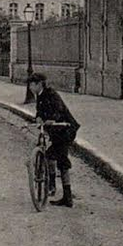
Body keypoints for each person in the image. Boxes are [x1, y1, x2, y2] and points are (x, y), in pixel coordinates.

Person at [28, 72, 79, 207]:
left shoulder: (52, 94)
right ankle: (53, 187)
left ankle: (65, 196)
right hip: (56, 131)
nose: (30, 88)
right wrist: (38, 118)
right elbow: (39, 112)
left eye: (32, 85)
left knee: (60, 159)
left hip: (65, 129)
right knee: (52, 156)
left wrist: (53, 119)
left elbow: (59, 109)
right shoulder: (39, 96)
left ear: (40, 84)